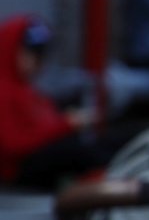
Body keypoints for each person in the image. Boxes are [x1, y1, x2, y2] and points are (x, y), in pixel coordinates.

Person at [0, 15, 109, 189]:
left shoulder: (30, 91)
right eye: (31, 53)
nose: (37, 62)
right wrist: (65, 124)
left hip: (40, 162)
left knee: (106, 143)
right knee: (77, 153)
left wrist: (69, 122)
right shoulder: (4, 91)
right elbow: (13, 145)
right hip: (17, 172)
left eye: (41, 55)